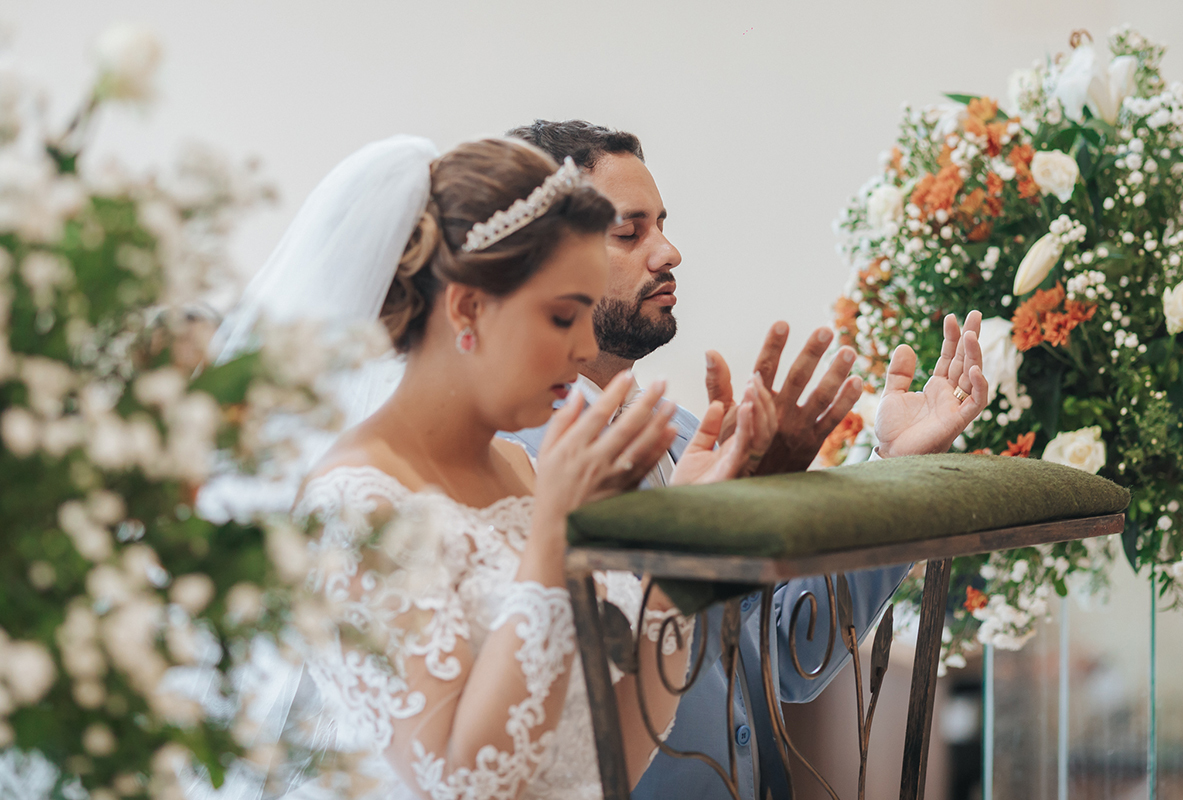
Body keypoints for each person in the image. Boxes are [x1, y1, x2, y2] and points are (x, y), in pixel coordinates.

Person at [211, 135, 774, 800]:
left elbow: (608, 761)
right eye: (563, 315)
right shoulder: (355, 502)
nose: (587, 345)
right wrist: (554, 538)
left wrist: (682, 550)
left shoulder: (521, 469)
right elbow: (463, 782)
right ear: (468, 308)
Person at [505, 119, 990, 800]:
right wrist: (696, 533)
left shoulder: (685, 435)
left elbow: (794, 656)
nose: (669, 252)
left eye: (662, 225)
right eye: (629, 232)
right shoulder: (509, 464)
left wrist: (894, 466)